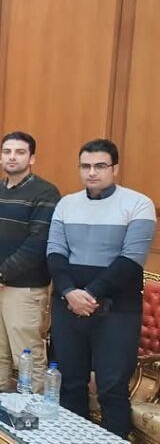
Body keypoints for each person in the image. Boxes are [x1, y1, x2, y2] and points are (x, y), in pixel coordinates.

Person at [48, 139, 156, 437]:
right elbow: (55, 253)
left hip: (117, 312)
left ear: (115, 169)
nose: (92, 172)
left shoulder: (139, 204)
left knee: (112, 389)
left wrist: (90, 294)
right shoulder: (66, 204)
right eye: (85, 166)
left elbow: (130, 260)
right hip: (67, 307)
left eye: (100, 166)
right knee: (70, 384)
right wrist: (69, 293)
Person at [0, 132, 60, 393]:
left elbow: (38, 243)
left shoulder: (46, 193)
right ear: (0, 157)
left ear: (32, 158)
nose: (12, 157)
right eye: (7, 151)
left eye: (20, 152)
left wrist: (0, 275)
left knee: (27, 356)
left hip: (24, 290)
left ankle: (34, 410)